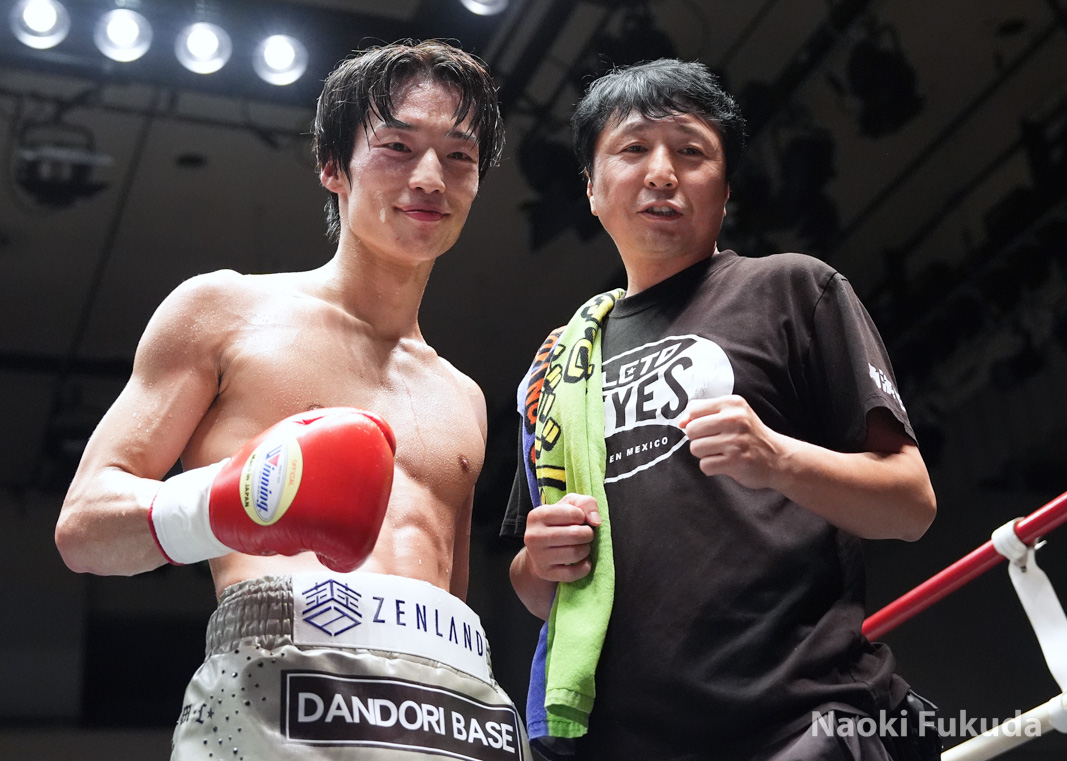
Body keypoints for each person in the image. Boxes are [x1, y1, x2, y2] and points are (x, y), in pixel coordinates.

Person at [57, 40, 530, 760]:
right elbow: (85, 528)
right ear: (333, 165)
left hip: (456, 701)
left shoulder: (462, 395)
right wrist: (229, 504)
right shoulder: (224, 312)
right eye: (397, 146)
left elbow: (450, 595)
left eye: (459, 156)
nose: (430, 177)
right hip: (283, 689)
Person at [502, 59, 939, 760]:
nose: (661, 172)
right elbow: (535, 588)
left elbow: (910, 504)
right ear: (590, 187)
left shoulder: (792, 290)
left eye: (690, 150)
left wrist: (778, 458)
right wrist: (538, 561)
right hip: (621, 744)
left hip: (798, 721)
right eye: (633, 148)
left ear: (726, 188)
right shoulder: (558, 365)